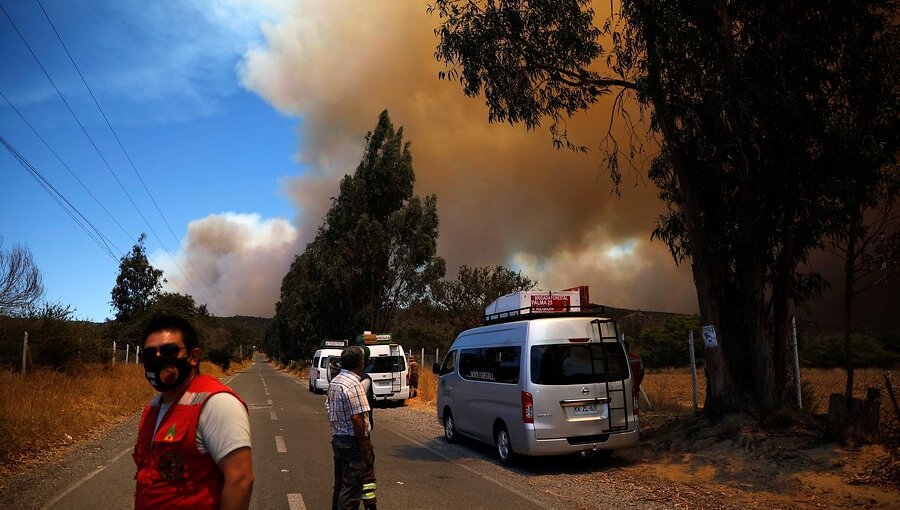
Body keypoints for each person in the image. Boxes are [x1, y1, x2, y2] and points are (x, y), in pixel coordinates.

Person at [133, 314, 253, 510]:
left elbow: (240, 480)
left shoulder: (217, 403)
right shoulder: (153, 407)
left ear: (193, 357)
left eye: (169, 350)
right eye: (149, 354)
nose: (158, 359)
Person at [327, 346, 373, 510]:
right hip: (352, 442)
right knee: (352, 490)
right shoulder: (354, 384)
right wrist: (363, 444)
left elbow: (329, 409)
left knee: (339, 487)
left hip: (338, 439)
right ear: (361, 363)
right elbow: (357, 417)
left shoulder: (335, 382)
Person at [359, 346, 377, 509]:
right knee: (367, 472)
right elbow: (360, 412)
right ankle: (370, 505)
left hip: (340, 436)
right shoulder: (364, 380)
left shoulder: (338, 378)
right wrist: (363, 437)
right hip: (360, 433)